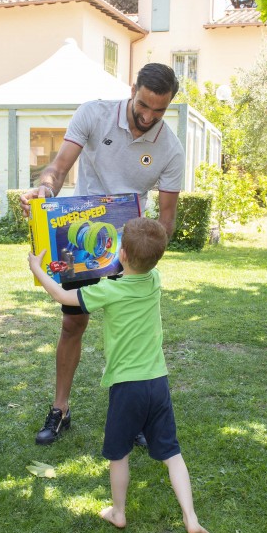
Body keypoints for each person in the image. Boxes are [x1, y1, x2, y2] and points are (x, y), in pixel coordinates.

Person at [19, 63, 185, 445]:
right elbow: (58, 169)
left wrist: (145, 249)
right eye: (143, 105)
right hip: (82, 241)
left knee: (133, 335)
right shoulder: (93, 114)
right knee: (72, 325)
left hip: (129, 251)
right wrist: (44, 191)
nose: (147, 117)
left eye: (158, 111)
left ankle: (139, 417)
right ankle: (60, 409)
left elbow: (169, 220)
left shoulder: (171, 149)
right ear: (133, 88)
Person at [28, 217, 210, 533]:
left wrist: (37, 269)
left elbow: (63, 296)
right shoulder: (155, 279)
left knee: (119, 455)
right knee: (172, 453)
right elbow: (141, 264)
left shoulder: (107, 290)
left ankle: (119, 512)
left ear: (121, 253)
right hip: (157, 381)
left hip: (127, 387)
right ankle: (191, 516)